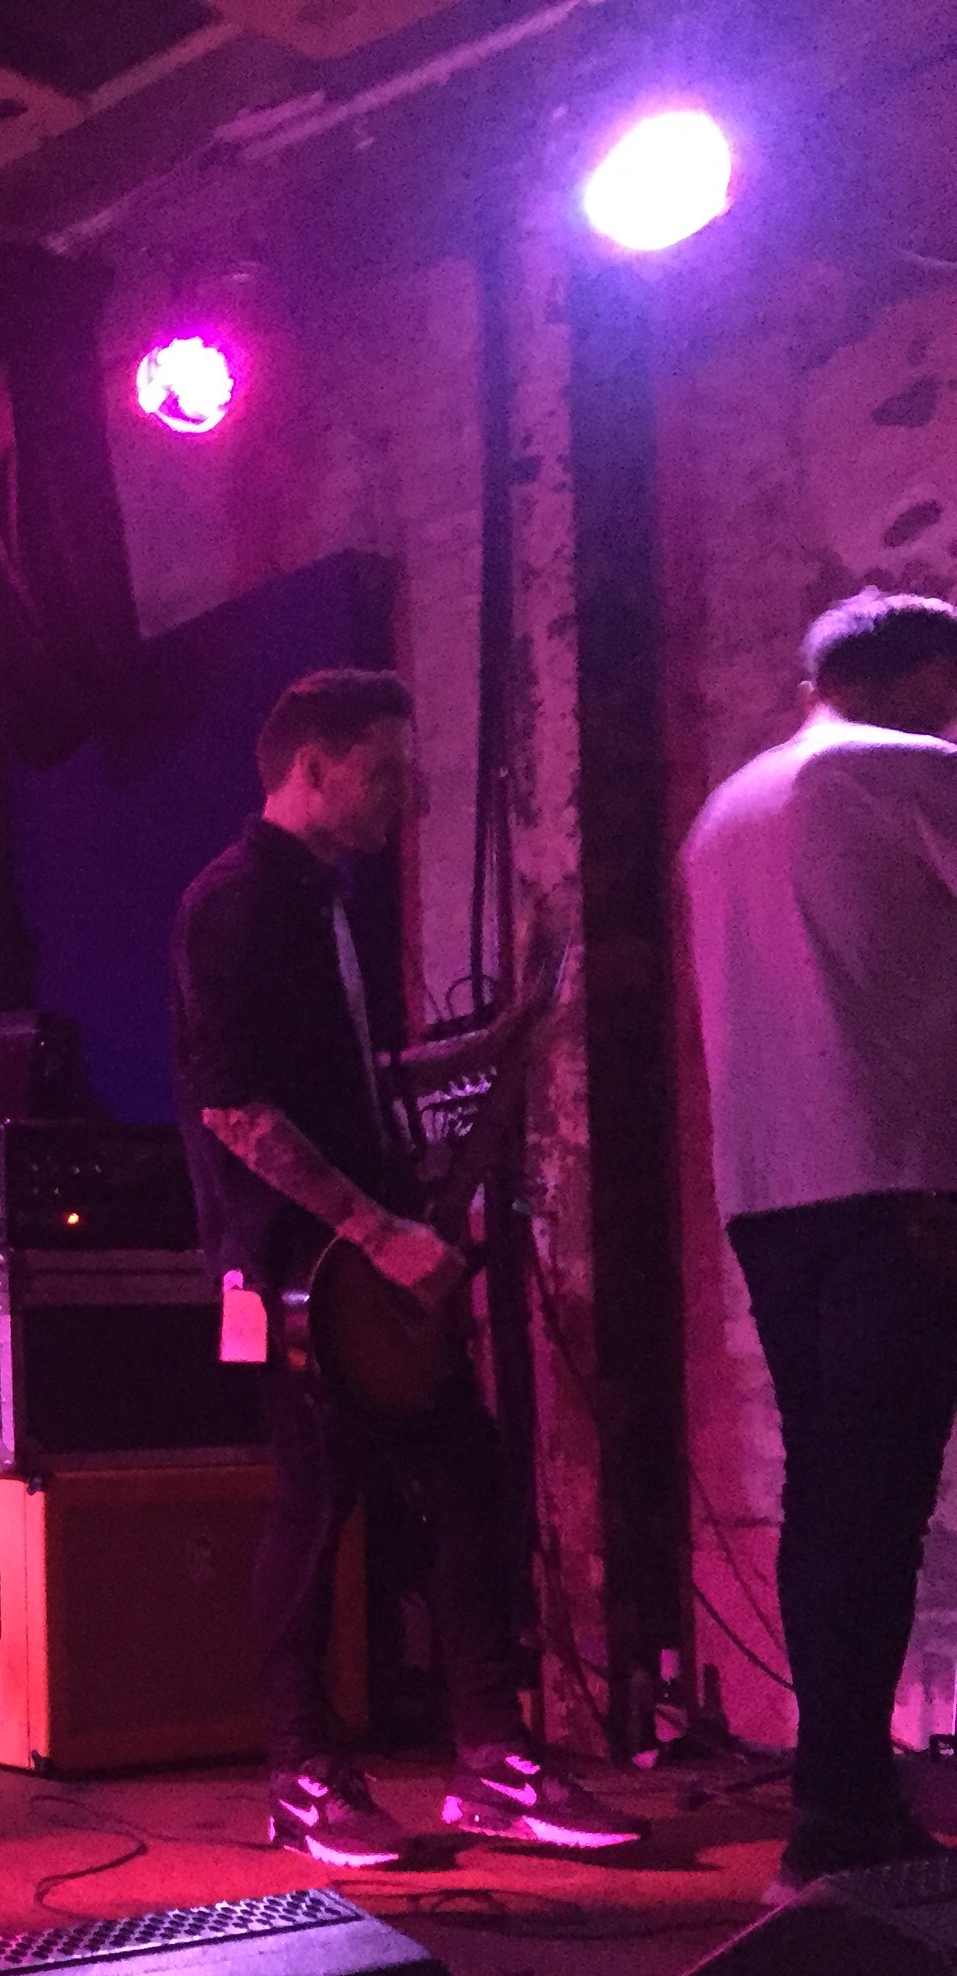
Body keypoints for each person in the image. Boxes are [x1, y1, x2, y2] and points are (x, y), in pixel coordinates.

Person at [172, 666, 643, 1867]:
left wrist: (486, 1047)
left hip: (358, 1255)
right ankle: (303, 1776)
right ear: (311, 768)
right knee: (319, 1494)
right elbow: (237, 1110)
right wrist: (376, 1230)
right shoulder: (234, 905)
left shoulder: (320, 901)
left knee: (465, 1473)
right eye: (382, 771)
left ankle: (488, 1761)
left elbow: (338, 1081)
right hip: (299, 1263)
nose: (404, 795)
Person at [681, 590, 957, 1901]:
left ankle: (838, 1796)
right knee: (880, 1506)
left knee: (831, 1498)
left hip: (772, 1192)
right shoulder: (909, 771)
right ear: (924, 674)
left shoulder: (723, 813)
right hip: (901, 1182)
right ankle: (843, 1817)